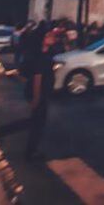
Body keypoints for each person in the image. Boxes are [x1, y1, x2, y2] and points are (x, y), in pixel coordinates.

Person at [25, 26, 61, 162]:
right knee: (38, 124)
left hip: (43, 92)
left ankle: (31, 149)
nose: (53, 37)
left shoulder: (47, 53)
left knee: (37, 121)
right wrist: (36, 97)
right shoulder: (40, 56)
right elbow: (37, 77)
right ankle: (31, 152)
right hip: (39, 93)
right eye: (49, 36)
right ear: (42, 39)